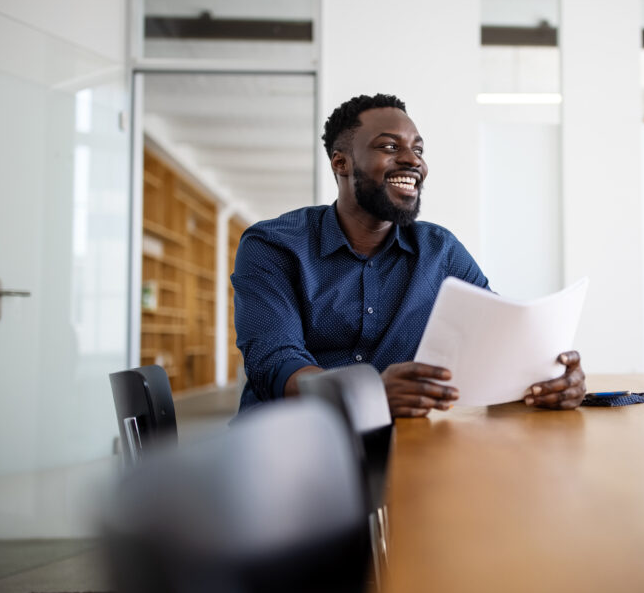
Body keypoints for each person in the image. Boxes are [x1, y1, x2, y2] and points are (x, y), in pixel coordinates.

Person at [232, 93, 586, 417]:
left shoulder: (440, 251)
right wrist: (368, 394)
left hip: (403, 443)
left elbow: (495, 343)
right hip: (291, 444)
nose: (412, 161)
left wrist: (549, 382)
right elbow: (275, 362)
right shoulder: (273, 246)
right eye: (389, 146)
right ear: (341, 163)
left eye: (418, 150)